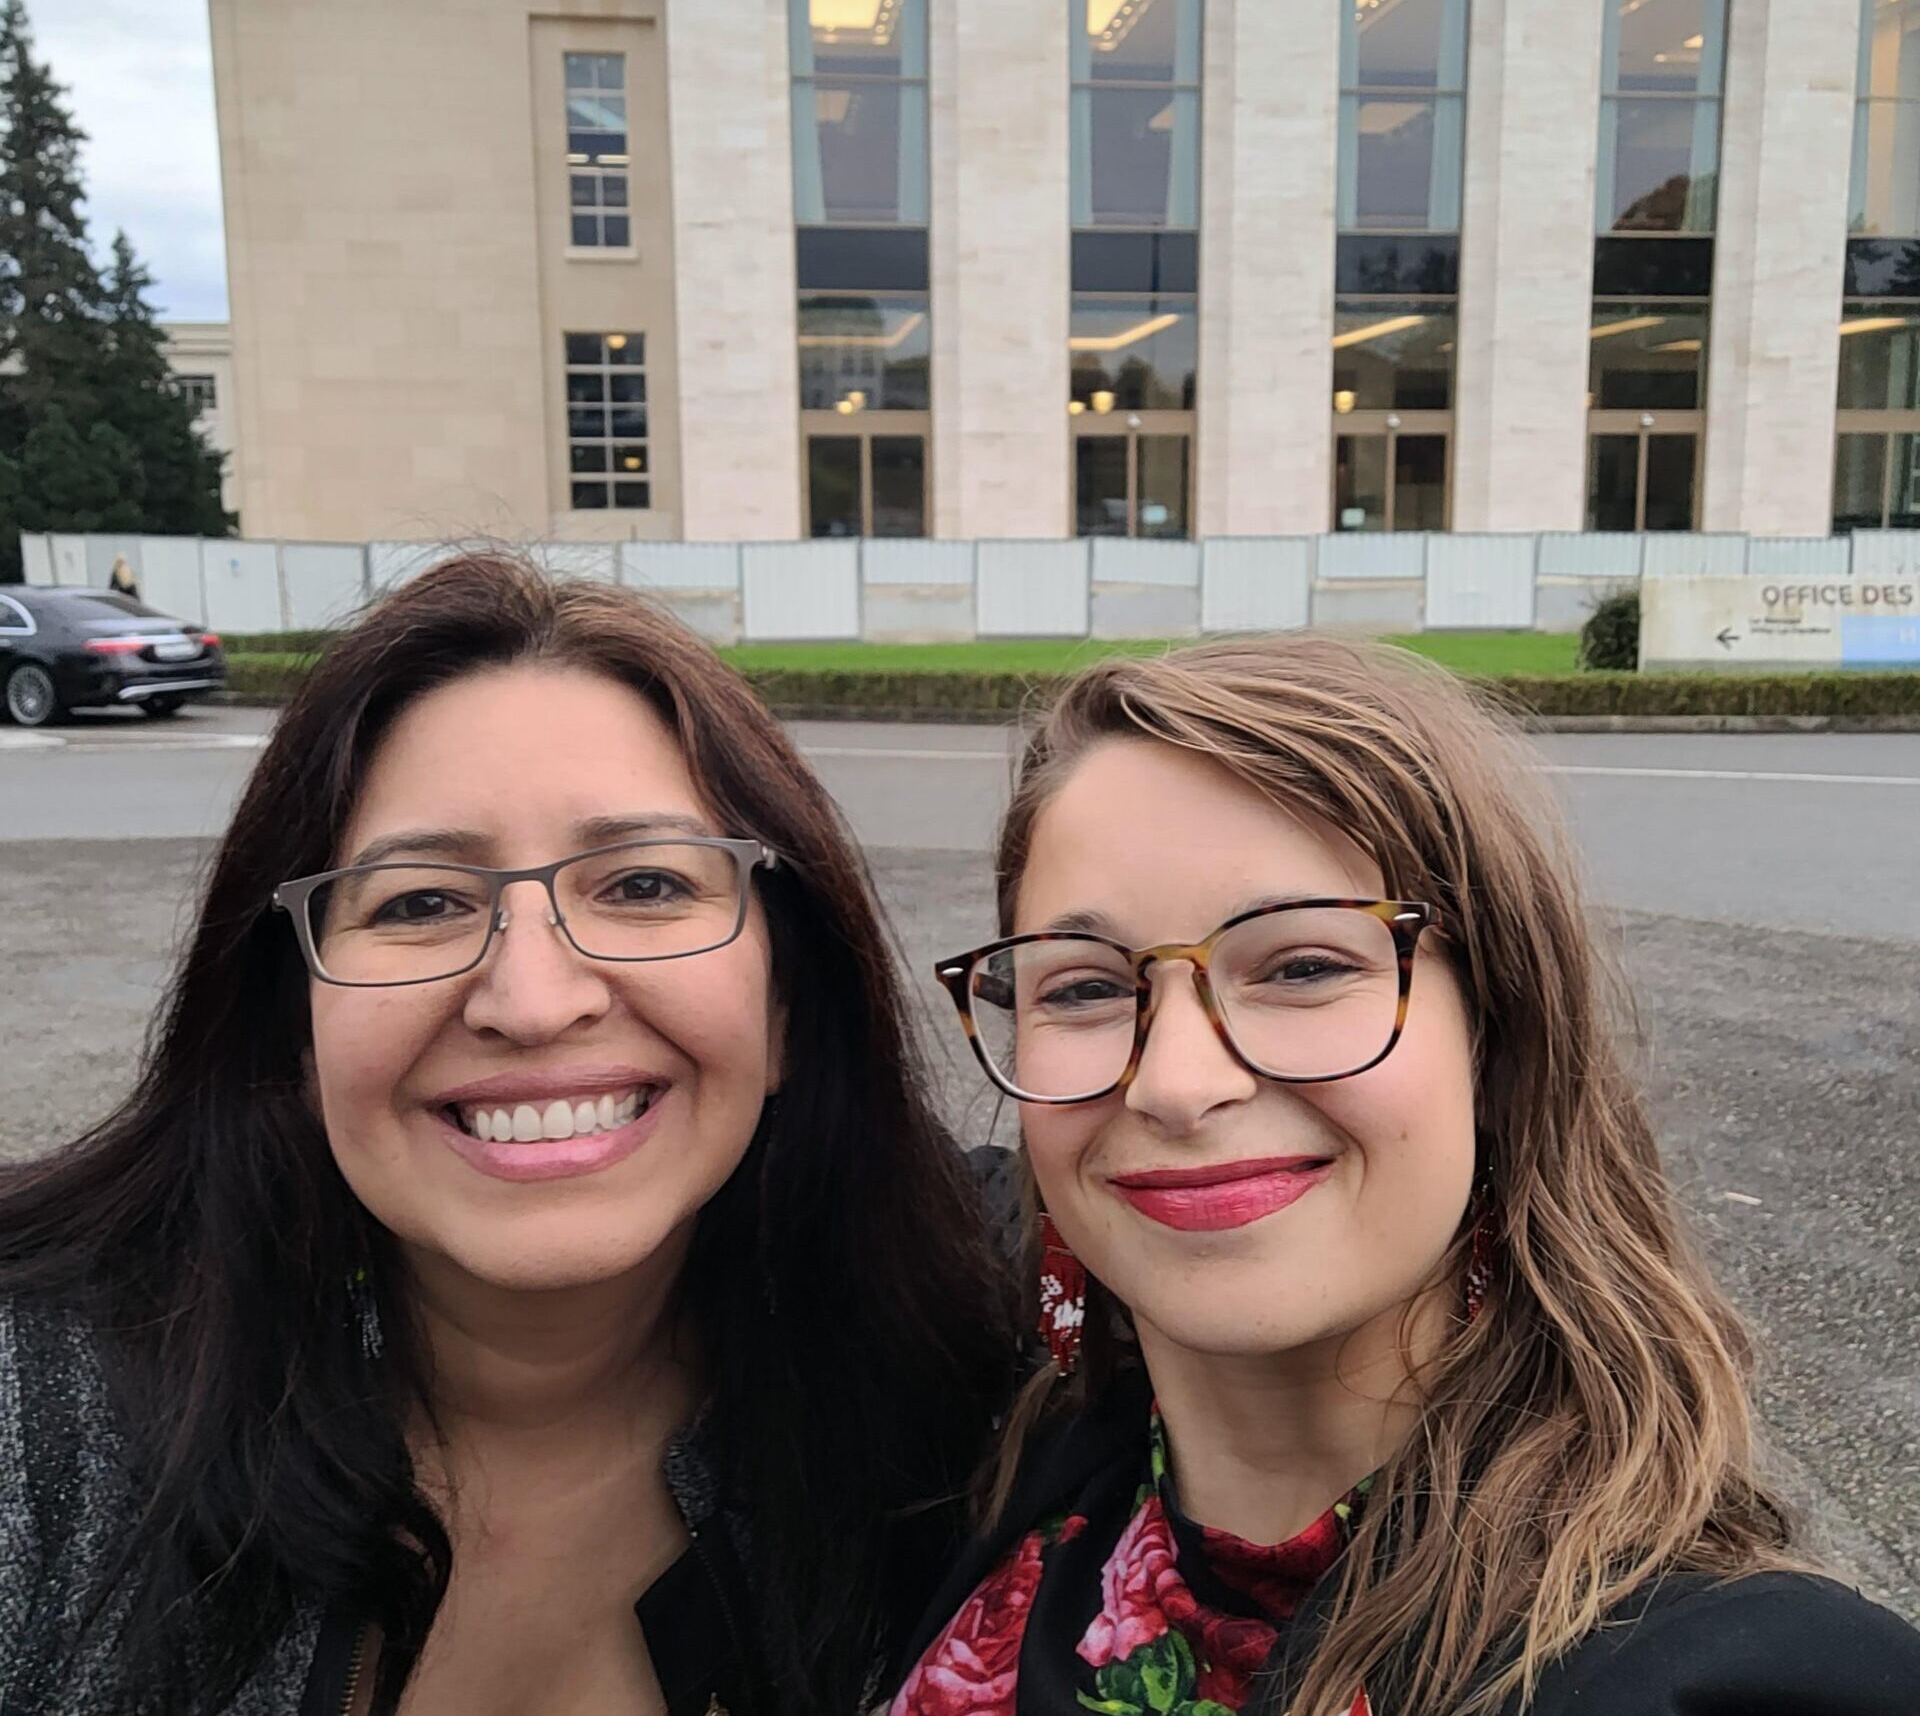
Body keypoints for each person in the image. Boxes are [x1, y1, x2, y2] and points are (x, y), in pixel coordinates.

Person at [0, 550, 1017, 1716]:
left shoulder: (962, 1393)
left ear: (788, 1006)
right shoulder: (40, 1415)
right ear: (293, 1032)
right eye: (420, 902)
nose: (534, 1001)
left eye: (641, 885)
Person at [895, 638, 1920, 1716]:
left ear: (1495, 1033)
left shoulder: (1740, 1676)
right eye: (1086, 985)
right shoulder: (994, 1441)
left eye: (1304, 964)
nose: (1175, 1082)